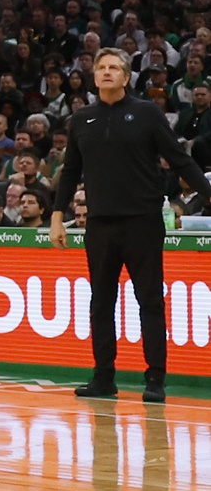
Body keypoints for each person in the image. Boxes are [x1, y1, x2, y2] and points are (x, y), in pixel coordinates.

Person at [50, 47, 211, 404]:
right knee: (100, 303)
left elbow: (179, 160)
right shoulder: (81, 119)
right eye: (101, 67)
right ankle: (103, 378)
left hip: (143, 222)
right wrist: (58, 217)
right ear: (94, 77)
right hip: (100, 224)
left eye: (114, 68)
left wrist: (208, 192)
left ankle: (155, 379)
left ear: (126, 76)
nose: (107, 72)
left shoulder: (147, 113)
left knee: (150, 302)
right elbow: (70, 172)